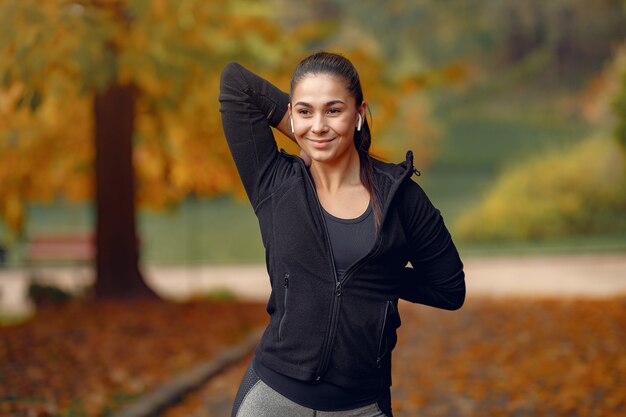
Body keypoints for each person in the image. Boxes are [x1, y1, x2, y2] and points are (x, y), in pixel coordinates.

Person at [219, 52, 465, 417]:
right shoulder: (274, 182)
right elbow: (235, 82)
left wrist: (380, 277)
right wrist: (307, 138)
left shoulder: (401, 196)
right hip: (273, 398)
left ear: (359, 112)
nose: (318, 124)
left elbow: (449, 289)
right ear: (291, 112)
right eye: (305, 111)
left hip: (361, 405)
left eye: (333, 111)